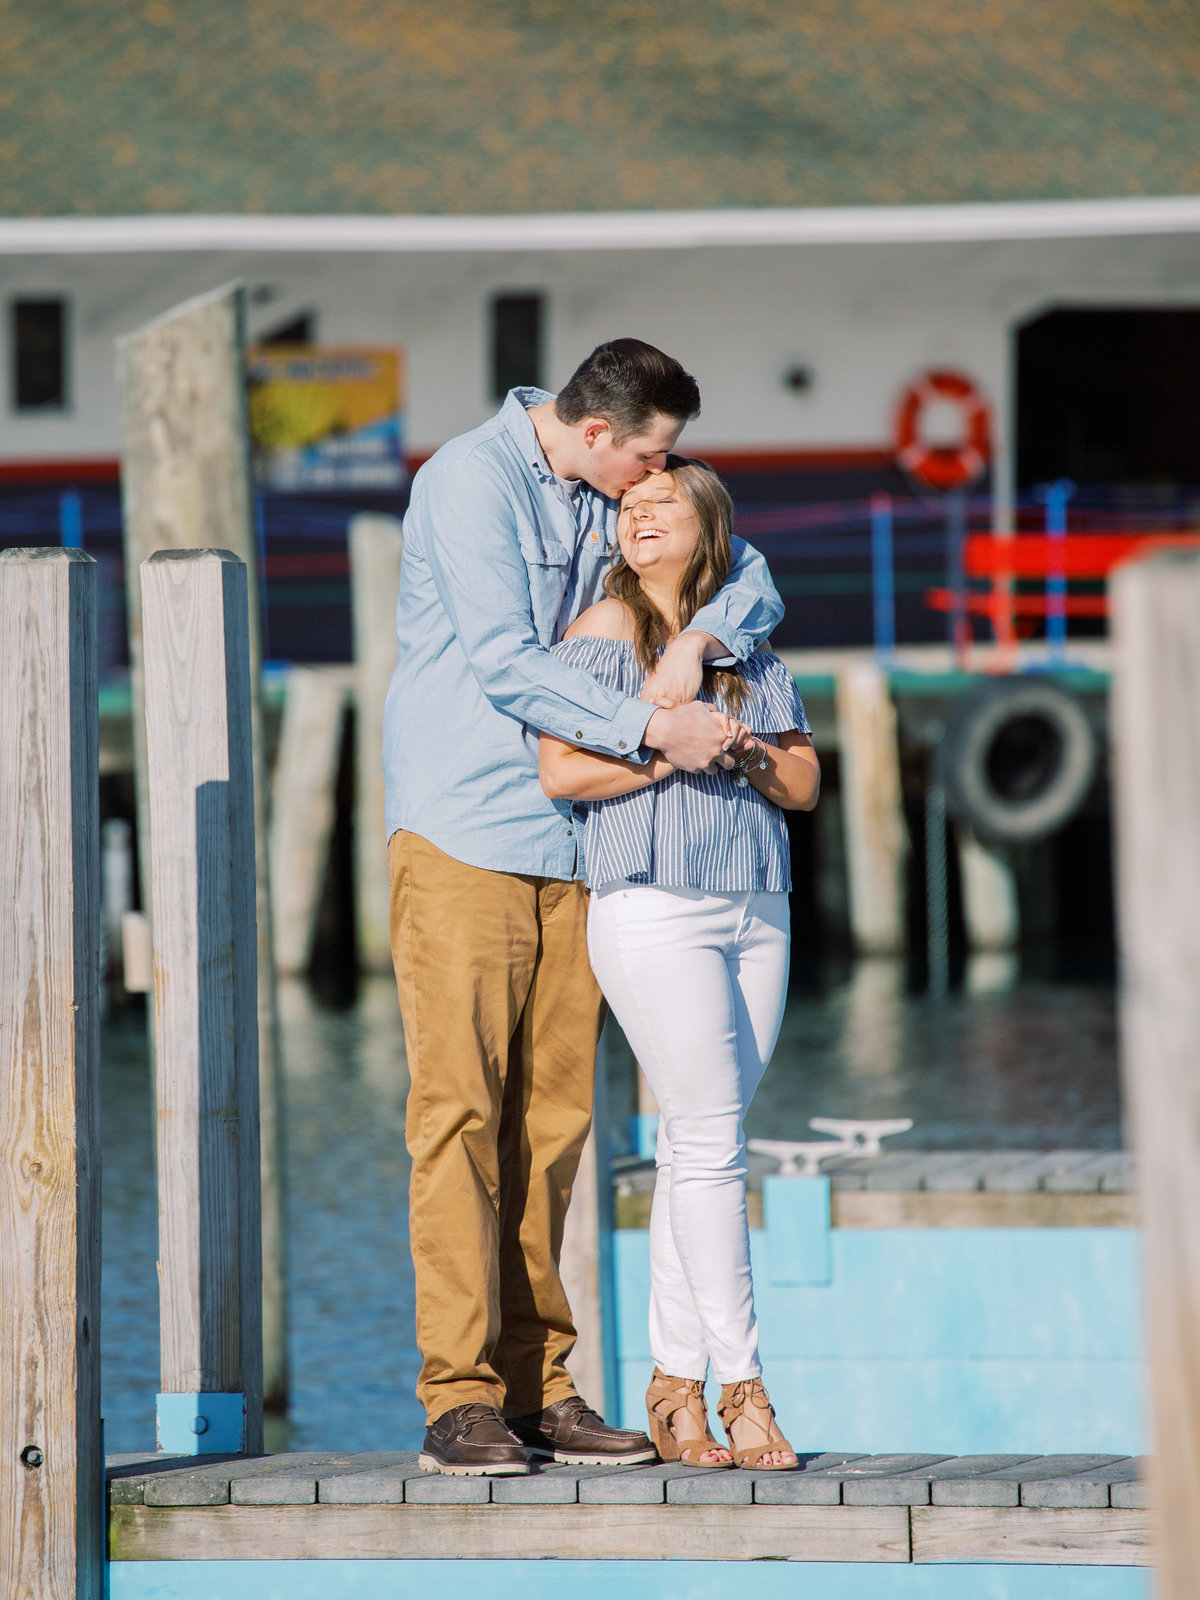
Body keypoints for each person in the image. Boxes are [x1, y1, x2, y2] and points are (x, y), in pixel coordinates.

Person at [384, 340, 784, 1475]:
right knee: (460, 1114)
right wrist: (661, 725)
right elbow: (507, 664)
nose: (662, 472)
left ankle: (537, 1383)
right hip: (464, 829)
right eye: (653, 451)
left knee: (555, 1124)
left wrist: (700, 638)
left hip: (580, 844)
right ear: (601, 432)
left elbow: (748, 569)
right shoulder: (471, 480)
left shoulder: (616, 493)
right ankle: (458, 1396)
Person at [539, 456, 819, 1470]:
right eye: (628, 507)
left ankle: (672, 1388)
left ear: (711, 530)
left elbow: (803, 780)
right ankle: (745, 1388)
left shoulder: (744, 642)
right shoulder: (599, 636)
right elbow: (560, 767)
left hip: (757, 906)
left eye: (663, 505)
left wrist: (739, 747)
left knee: (697, 1148)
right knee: (711, 1144)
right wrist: (669, 749)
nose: (638, 516)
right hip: (652, 903)